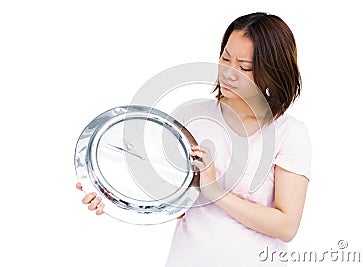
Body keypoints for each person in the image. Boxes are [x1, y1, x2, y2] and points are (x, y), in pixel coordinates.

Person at [76, 12, 312, 266]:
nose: (229, 73)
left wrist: (214, 191)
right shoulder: (192, 117)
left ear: (272, 72)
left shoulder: (289, 133)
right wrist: (111, 192)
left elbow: (286, 226)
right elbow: (171, 200)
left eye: (244, 67)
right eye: (225, 58)